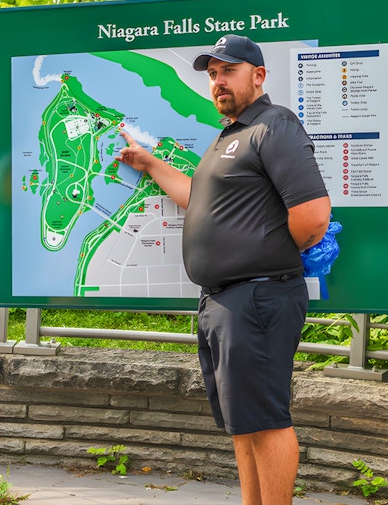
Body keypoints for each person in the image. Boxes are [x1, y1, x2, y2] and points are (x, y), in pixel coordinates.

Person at [115, 34, 331, 505]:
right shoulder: (228, 137)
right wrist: (149, 163)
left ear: (258, 76)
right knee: (244, 421)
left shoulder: (274, 126)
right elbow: (199, 200)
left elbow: (313, 217)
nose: (217, 82)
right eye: (212, 74)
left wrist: (262, 254)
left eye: (227, 71)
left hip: (257, 297)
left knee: (267, 418)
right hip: (224, 300)